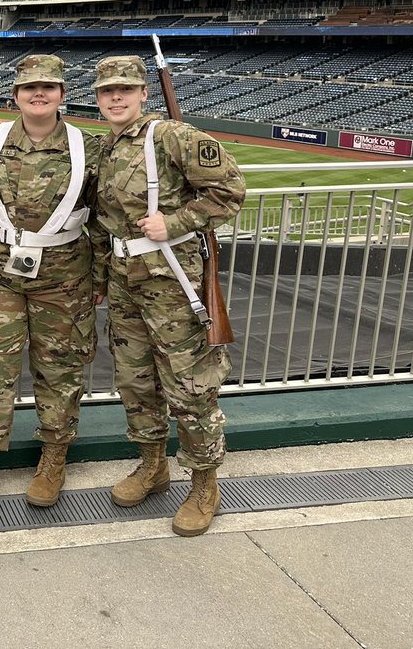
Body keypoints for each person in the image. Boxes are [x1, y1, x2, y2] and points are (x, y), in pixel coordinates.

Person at [91, 55, 245, 537]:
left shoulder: (172, 137)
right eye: (107, 91)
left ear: (144, 94)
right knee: (136, 381)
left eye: (125, 89)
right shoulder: (106, 147)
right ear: (98, 99)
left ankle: (204, 485)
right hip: (125, 282)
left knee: (190, 386)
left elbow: (230, 190)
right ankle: (152, 465)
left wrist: (175, 222)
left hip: (173, 284)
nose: (116, 97)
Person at [0, 55, 100, 526]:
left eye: (48, 87)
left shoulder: (89, 148)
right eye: (30, 87)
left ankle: (53, 460)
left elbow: (109, 211)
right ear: (15, 95)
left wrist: (103, 276)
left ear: (62, 94)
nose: (39, 94)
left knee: (60, 371)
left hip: (65, 279)